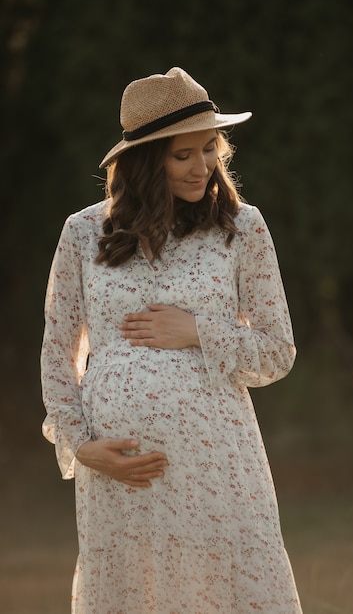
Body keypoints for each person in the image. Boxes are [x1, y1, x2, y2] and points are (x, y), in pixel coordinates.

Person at [41, 67, 303, 614]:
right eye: (182, 154)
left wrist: (200, 332)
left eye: (209, 148)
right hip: (121, 474)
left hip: (216, 466)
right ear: (143, 161)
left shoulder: (240, 227)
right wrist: (79, 445)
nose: (202, 166)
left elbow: (278, 351)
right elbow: (58, 352)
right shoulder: (82, 232)